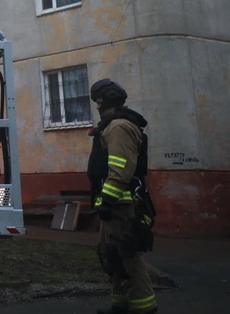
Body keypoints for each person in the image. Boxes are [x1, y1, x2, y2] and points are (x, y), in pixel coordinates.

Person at [87, 79, 157, 314]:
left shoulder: (118, 127)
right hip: (114, 204)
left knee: (126, 257)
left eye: (98, 100)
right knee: (112, 257)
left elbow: (120, 169)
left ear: (106, 100)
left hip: (120, 204)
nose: (96, 106)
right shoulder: (112, 126)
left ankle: (144, 308)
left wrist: (106, 200)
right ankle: (120, 306)